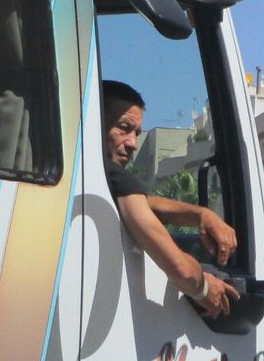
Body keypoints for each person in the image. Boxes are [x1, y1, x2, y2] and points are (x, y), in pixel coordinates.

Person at [101, 80, 239, 318]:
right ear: (96, 122)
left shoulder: (93, 179)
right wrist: (205, 288)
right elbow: (181, 271)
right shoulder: (113, 175)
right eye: (123, 128)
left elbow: (144, 203)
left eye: (136, 133)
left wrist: (202, 215)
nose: (133, 143)